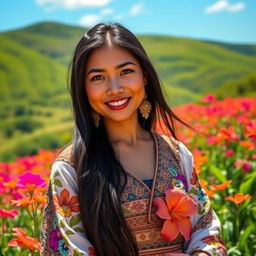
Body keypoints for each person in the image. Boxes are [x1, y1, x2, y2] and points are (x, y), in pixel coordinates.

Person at [40, 23, 227, 256]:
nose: (115, 88)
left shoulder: (177, 154)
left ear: (145, 76)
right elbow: (69, 250)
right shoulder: (70, 167)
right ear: (83, 89)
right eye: (98, 77)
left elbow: (205, 228)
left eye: (126, 71)